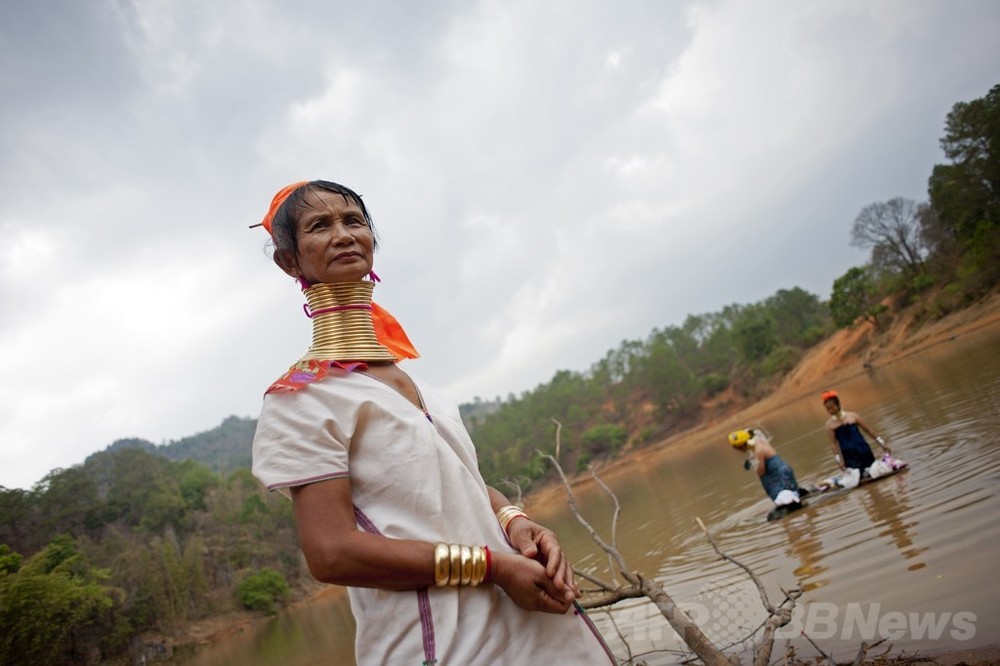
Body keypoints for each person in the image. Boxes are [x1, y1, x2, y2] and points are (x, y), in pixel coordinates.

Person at [250, 180, 614, 665]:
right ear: (289, 261)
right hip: (437, 644)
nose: (343, 234)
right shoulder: (303, 399)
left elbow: (460, 485)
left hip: (526, 627)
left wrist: (516, 520)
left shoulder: (418, 387)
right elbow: (331, 553)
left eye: (353, 221)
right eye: (320, 226)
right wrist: (493, 569)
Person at [728, 428, 801, 507]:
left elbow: (761, 472)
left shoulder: (758, 451)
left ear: (742, 446)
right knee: (791, 491)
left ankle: (790, 500)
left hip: (780, 476)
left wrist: (755, 467)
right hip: (785, 470)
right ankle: (796, 494)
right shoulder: (758, 440)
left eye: (738, 448)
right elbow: (750, 432)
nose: (739, 450)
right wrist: (751, 458)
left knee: (766, 480)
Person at [821, 389, 888, 474]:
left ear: (838, 405)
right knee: (858, 476)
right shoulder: (829, 425)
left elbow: (868, 430)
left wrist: (882, 444)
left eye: (832, 407)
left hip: (864, 450)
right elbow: (833, 444)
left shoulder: (852, 416)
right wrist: (838, 460)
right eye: (828, 409)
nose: (830, 410)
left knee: (873, 472)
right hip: (849, 456)